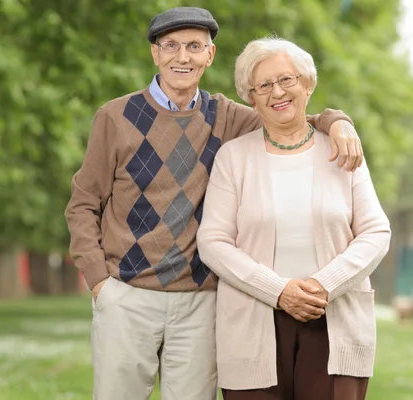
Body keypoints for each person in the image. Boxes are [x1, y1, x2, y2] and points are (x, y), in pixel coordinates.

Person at [65, 7, 364, 400]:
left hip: (200, 300)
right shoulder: (115, 117)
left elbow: (290, 116)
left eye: (194, 46)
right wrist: (98, 279)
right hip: (127, 294)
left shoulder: (227, 117)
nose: (182, 57)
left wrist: (338, 121)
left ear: (211, 55)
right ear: (155, 54)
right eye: (171, 46)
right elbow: (84, 202)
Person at [197, 37, 391, 400]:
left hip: (335, 320)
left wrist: (324, 285)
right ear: (250, 98)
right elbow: (213, 243)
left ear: (307, 84)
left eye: (287, 80)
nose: (277, 92)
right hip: (253, 323)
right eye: (263, 86)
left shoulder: (342, 149)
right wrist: (279, 291)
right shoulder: (233, 158)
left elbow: (376, 231)